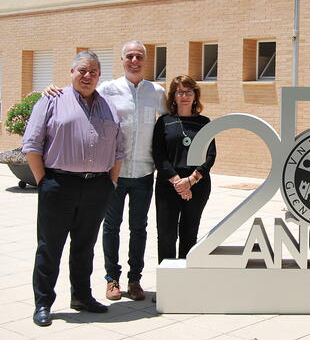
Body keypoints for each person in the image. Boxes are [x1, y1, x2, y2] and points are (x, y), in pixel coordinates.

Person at [44, 41, 167, 301]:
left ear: (146, 60)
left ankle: (135, 280)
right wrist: (52, 89)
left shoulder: (156, 92)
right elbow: (79, 94)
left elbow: (171, 121)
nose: (135, 60)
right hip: (114, 172)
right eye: (130, 56)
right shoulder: (107, 89)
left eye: (139, 56)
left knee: (140, 227)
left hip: (144, 172)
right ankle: (112, 279)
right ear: (121, 60)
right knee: (111, 226)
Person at [23, 51, 124, 326]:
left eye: (93, 72)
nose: (87, 76)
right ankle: (43, 303)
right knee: (49, 247)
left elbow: (118, 150)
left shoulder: (109, 107)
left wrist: (111, 183)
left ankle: (81, 296)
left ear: (99, 76)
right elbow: (32, 145)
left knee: (85, 247)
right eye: (82, 70)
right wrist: (44, 181)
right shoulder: (51, 100)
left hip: (97, 187)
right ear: (71, 72)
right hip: (59, 185)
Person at [152, 75, 216, 262]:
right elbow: (159, 156)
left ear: (195, 95)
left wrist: (191, 180)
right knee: (166, 235)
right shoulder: (164, 122)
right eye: (180, 92)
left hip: (198, 184)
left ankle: (185, 280)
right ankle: (167, 280)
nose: (184, 96)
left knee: (190, 233)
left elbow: (210, 155)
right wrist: (178, 182)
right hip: (168, 185)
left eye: (188, 92)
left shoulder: (204, 123)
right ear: (173, 96)